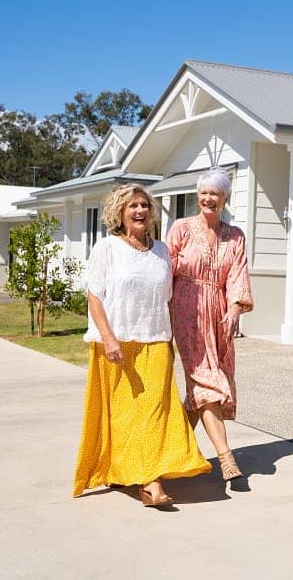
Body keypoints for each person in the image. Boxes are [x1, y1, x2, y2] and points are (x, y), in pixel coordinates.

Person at [73, 184, 210, 507]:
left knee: (155, 414)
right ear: (119, 213)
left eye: (144, 205)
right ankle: (141, 477)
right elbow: (94, 296)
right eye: (132, 206)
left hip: (157, 341)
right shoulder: (107, 248)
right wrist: (108, 338)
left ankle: (150, 477)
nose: (139, 211)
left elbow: (169, 298)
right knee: (125, 417)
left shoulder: (162, 250)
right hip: (118, 344)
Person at [166, 169, 253, 482]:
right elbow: (164, 270)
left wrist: (234, 310)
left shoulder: (235, 236)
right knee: (207, 380)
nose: (208, 199)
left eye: (215, 194)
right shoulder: (181, 228)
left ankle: (171, 450)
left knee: (198, 390)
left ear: (225, 199)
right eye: (203, 193)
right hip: (186, 309)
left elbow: (237, 275)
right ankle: (226, 457)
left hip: (218, 313)